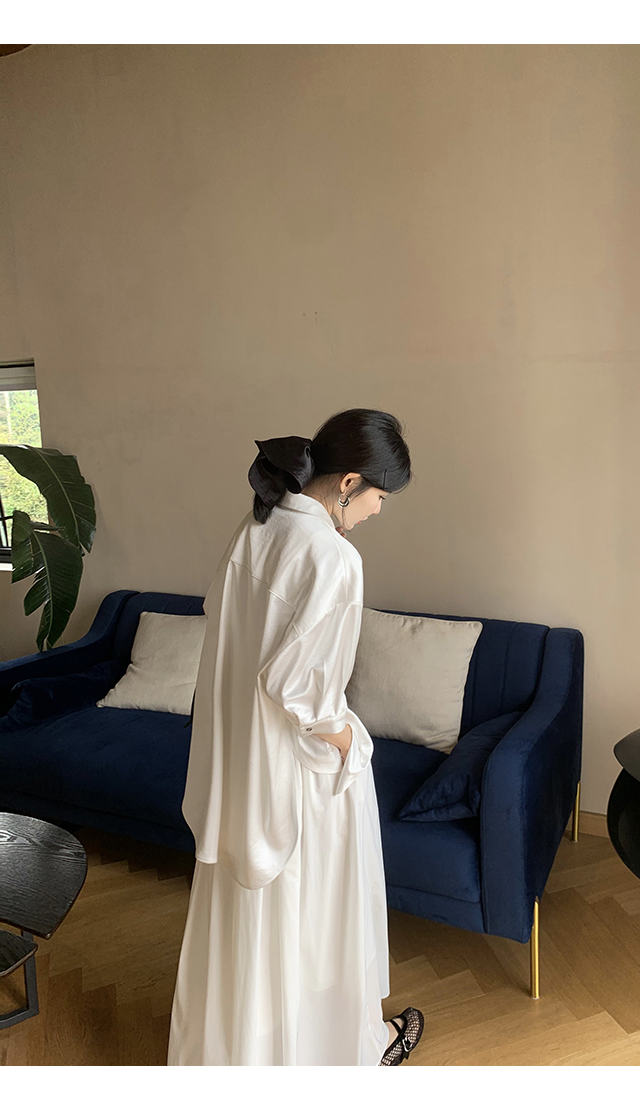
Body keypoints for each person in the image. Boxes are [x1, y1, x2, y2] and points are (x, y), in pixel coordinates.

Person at [167, 408, 425, 1066]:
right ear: (350, 482)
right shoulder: (334, 557)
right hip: (300, 779)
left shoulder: (256, 528)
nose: (378, 511)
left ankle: (243, 1060)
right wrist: (350, 744)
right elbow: (303, 693)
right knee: (314, 922)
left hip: (239, 769)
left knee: (253, 920)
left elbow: (230, 643)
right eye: (381, 497)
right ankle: (333, 1054)